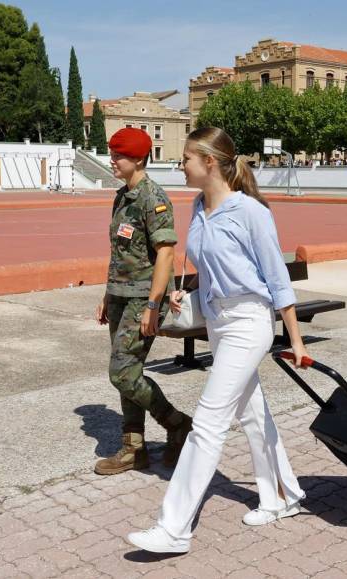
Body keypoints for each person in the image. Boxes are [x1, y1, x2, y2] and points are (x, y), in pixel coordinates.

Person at [127, 127, 309, 554]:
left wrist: (296, 341)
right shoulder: (198, 206)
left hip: (249, 322)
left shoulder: (251, 213)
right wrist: (185, 292)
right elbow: (207, 267)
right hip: (218, 321)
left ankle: (173, 529)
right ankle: (283, 496)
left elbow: (277, 282)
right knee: (251, 414)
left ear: (209, 162)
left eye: (186, 158)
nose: (180, 166)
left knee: (208, 422)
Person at [94, 128, 192, 476]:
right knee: (128, 373)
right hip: (121, 296)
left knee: (121, 373)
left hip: (143, 300)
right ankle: (133, 448)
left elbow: (165, 254)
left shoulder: (154, 198)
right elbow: (118, 252)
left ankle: (177, 423)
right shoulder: (122, 197)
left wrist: (153, 305)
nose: (112, 160)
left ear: (137, 158)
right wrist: (107, 294)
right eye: (112, 153)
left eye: (118, 155)